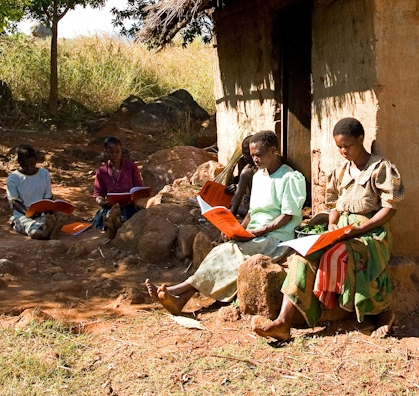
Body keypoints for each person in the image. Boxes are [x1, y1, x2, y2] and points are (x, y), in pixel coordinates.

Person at [254, 117, 404, 340]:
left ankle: (381, 312)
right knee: (301, 257)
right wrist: (333, 224)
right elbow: (333, 203)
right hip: (340, 230)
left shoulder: (380, 168)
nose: (343, 151)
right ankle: (283, 322)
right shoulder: (341, 171)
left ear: (360, 139)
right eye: (339, 147)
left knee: (338, 256)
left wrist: (359, 230)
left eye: (348, 146)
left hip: (371, 233)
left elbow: (389, 208)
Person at [145, 130, 306, 314]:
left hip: (277, 238)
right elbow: (252, 212)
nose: (255, 159)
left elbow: (287, 215)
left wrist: (260, 231)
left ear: (273, 151)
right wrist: (237, 229)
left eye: (258, 155)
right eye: (252, 155)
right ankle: (181, 297)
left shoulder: (290, 178)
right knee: (219, 250)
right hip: (255, 234)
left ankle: (179, 290)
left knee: (231, 253)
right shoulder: (259, 177)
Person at [92, 136, 145, 231]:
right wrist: (102, 202)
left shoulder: (131, 167)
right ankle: (113, 224)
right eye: (110, 152)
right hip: (110, 207)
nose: (114, 155)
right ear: (105, 153)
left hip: (129, 206)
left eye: (117, 151)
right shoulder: (101, 172)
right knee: (109, 215)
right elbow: (98, 194)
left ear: (121, 151)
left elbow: (139, 188)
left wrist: (134, 197)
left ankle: (116, 225)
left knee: (133, 219)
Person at [5, 145, 57, 240]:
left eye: (32, 164)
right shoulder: (13, 179)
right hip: (23, 215)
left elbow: (48, 197)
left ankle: (48, 228)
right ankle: (44, 232)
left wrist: (48, 209)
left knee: (51, 219)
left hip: (42, 213)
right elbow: (15, 202)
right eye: (25, 166)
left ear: (36, 160)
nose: (29, 168)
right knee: (32, 229)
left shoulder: (44, 174)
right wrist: (29, 213)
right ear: (19, 163)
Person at [225, 135, 255, 217]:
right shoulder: (247, 168)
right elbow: (239, 196)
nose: (245, 156)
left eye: (247, 153)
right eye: (243, 153)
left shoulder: (269, 167)